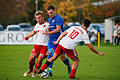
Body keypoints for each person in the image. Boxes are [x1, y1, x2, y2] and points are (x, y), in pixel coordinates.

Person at [38, 19, 104, 79]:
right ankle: (72, 76)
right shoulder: (84, 33)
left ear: (82, 23)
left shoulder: (74, 27)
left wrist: (57, 41)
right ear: (88, 26)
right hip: (68, 46)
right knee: (76, 60)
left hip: (61, 43)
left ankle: (41, 70)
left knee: (53, 58)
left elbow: (63, 33)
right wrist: (97, 52)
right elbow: (89, 46)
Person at [42, 6, 71, 76]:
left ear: (55, 11)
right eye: (49, 13)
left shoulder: (59, 18)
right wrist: (48, 30)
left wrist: (48, 33)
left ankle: (69, 65)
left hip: (60, 40)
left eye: (51, 13)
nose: (50, 14)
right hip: (51, 40)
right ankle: (50, 70)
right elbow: (50, 28)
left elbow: (58, 29)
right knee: (50, 53)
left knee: (62, 58)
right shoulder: (49, 19)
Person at [23, 11, 49, 77]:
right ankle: (30, 70)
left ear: (43, 17)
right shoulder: (37, 25)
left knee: (40, 60)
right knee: (31, 59)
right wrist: (27, 36)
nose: (38, 19)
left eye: (39, 17)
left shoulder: (48, 24)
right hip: (37, 44)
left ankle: (35, 72)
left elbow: (52, 33)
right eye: (37, 18)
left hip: (45, 45)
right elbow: (33, 32)